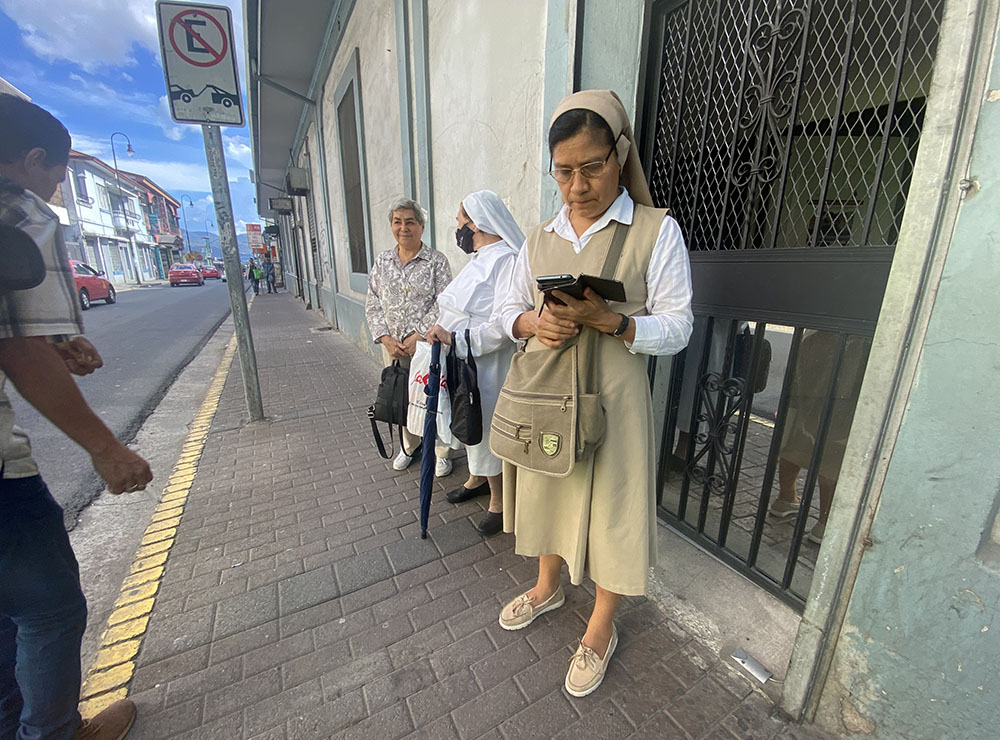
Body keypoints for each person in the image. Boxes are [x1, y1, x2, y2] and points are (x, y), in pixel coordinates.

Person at [494, 90, 693, 697]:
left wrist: (616, 322)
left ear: (619, 156)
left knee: (613, 502)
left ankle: (601, 623)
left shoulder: (656, 231)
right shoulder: (538, 237)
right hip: (551, 387)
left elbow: (679, 325)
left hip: (616, 393)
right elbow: (507, 309)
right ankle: (548, 585)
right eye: (564, 171)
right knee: (549, 483)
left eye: (593, 167)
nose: (577, 186)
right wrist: (533, 323)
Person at [0, 93, 153, 740]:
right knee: (51, 610)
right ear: (33, 160)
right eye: (58, 178)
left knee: (8, 612)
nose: (57, 194)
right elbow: (20, 348)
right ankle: (57, 732)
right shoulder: (15, 214)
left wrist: (55, 344)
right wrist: (103, 447)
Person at [425, 191, 524, 536]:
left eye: (461, 221)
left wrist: (458, 338)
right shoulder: (480, 258)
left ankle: (498, 502)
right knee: (467, 421)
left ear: (477, 223)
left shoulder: (507, 260)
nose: (458, 228)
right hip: (462, 361)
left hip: (488, 364)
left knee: (485, 427)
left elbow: (501, 324)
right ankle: (476, 478)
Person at [365, 198, 453, 474]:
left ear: (421, 227)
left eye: (410, 222)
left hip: (427, 345)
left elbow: (445, 301)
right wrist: (385, 338)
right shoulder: (382, 261)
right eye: (397, 222)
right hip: (394, 347)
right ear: (391, 226)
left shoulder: (437, 261)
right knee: (403, 395)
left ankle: (441, 452)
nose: (404, 227)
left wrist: (418, 335)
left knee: (434, 396)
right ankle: (409, 446)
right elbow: (373, 301)